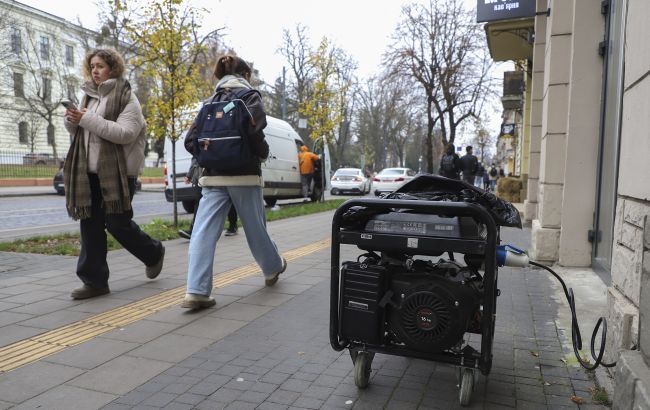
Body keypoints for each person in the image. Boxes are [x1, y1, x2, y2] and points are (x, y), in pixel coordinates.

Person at [182, 54, 286, 309]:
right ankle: (272, 267)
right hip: (245, 175)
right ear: (246, 75)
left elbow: (190, 141)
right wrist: (262, 153)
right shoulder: (250, 97)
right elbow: (254, 130)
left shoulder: (209, 102)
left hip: (213, 176)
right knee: (255, 228)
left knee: (203, 232)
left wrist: (211, 156)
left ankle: (196, 291)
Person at [63, 48, 165, 300]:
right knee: (90, 226)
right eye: (92, 66)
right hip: (89, 172)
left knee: (118, 224)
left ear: (113, 68)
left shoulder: (127, 98)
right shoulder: (88, 97)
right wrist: (72, 120)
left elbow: (125, 133)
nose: (95, 71)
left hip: (119, 174)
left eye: (100, 66)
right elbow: (82, 133)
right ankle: (94, 282)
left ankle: (153, 252)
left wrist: (86, 119)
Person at [178, 159, 238, 239]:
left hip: (221, 171)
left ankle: (233, 224)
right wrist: (190, 174)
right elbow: (196, 158)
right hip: (204, 174)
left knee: (228, 197)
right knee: (199, 201)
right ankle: (194, 230)